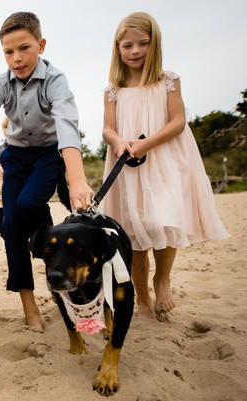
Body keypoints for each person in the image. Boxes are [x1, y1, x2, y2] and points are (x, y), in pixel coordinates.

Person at [0, 12, 94, 329]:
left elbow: (67, 127)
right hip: (16, 156)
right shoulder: (1, 83)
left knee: (28, 205)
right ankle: (30, 306)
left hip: (48, 155)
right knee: (11, 223)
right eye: (8, 52)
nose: (16, 58)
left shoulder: (56, 79)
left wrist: (76, 179)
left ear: (41, 45)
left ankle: (57, 258)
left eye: (24, 48)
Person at [101, 12, 230, 320]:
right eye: (127, 45)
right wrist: (119, 141)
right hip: (128, 166)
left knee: (164, 219)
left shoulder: (168, 81)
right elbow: (107, 128)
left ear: (154, 44)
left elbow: (178, 121)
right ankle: (142, 298)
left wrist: (146, 144)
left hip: (163, 160)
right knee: (133, 231)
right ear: (117, 48)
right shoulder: (113, 90)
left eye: (143, 44)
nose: (134, 51)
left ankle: (163, 279)